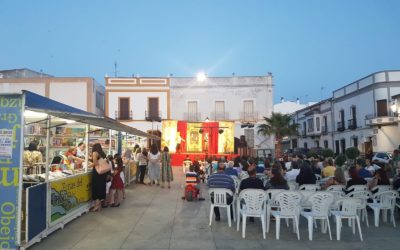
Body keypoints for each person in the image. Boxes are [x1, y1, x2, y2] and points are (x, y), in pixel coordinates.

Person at [90, 143, 107, 212]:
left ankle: (97, 206)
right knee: (101, 187)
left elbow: (96, 163)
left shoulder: (95, 153)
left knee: (96, 188)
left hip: (97, 172)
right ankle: (99, 206)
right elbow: (100, 161)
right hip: (103, 172)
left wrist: (89, 165)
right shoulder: (102, 153)